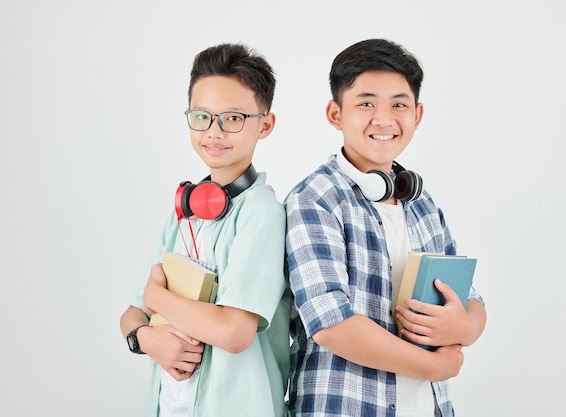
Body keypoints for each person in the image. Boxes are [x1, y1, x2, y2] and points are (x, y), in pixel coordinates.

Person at [284, 38, 487, 417]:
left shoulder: (422, 202)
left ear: (417, 114)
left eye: (399, 104)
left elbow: (471, 298)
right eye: (365, 103)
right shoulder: (315, 199)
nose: (384, 118)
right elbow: (331, 325)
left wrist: (466, 327)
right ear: (335, 113)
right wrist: (435, 366)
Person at [119, 43, 290, 417]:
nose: (214, 132)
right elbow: (133, 313)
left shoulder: (261, 213)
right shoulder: (186, 210)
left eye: (233, 118)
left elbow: (233, 333)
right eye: (201, 116)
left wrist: (159, 297)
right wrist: (146, 340)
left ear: (265, 124)